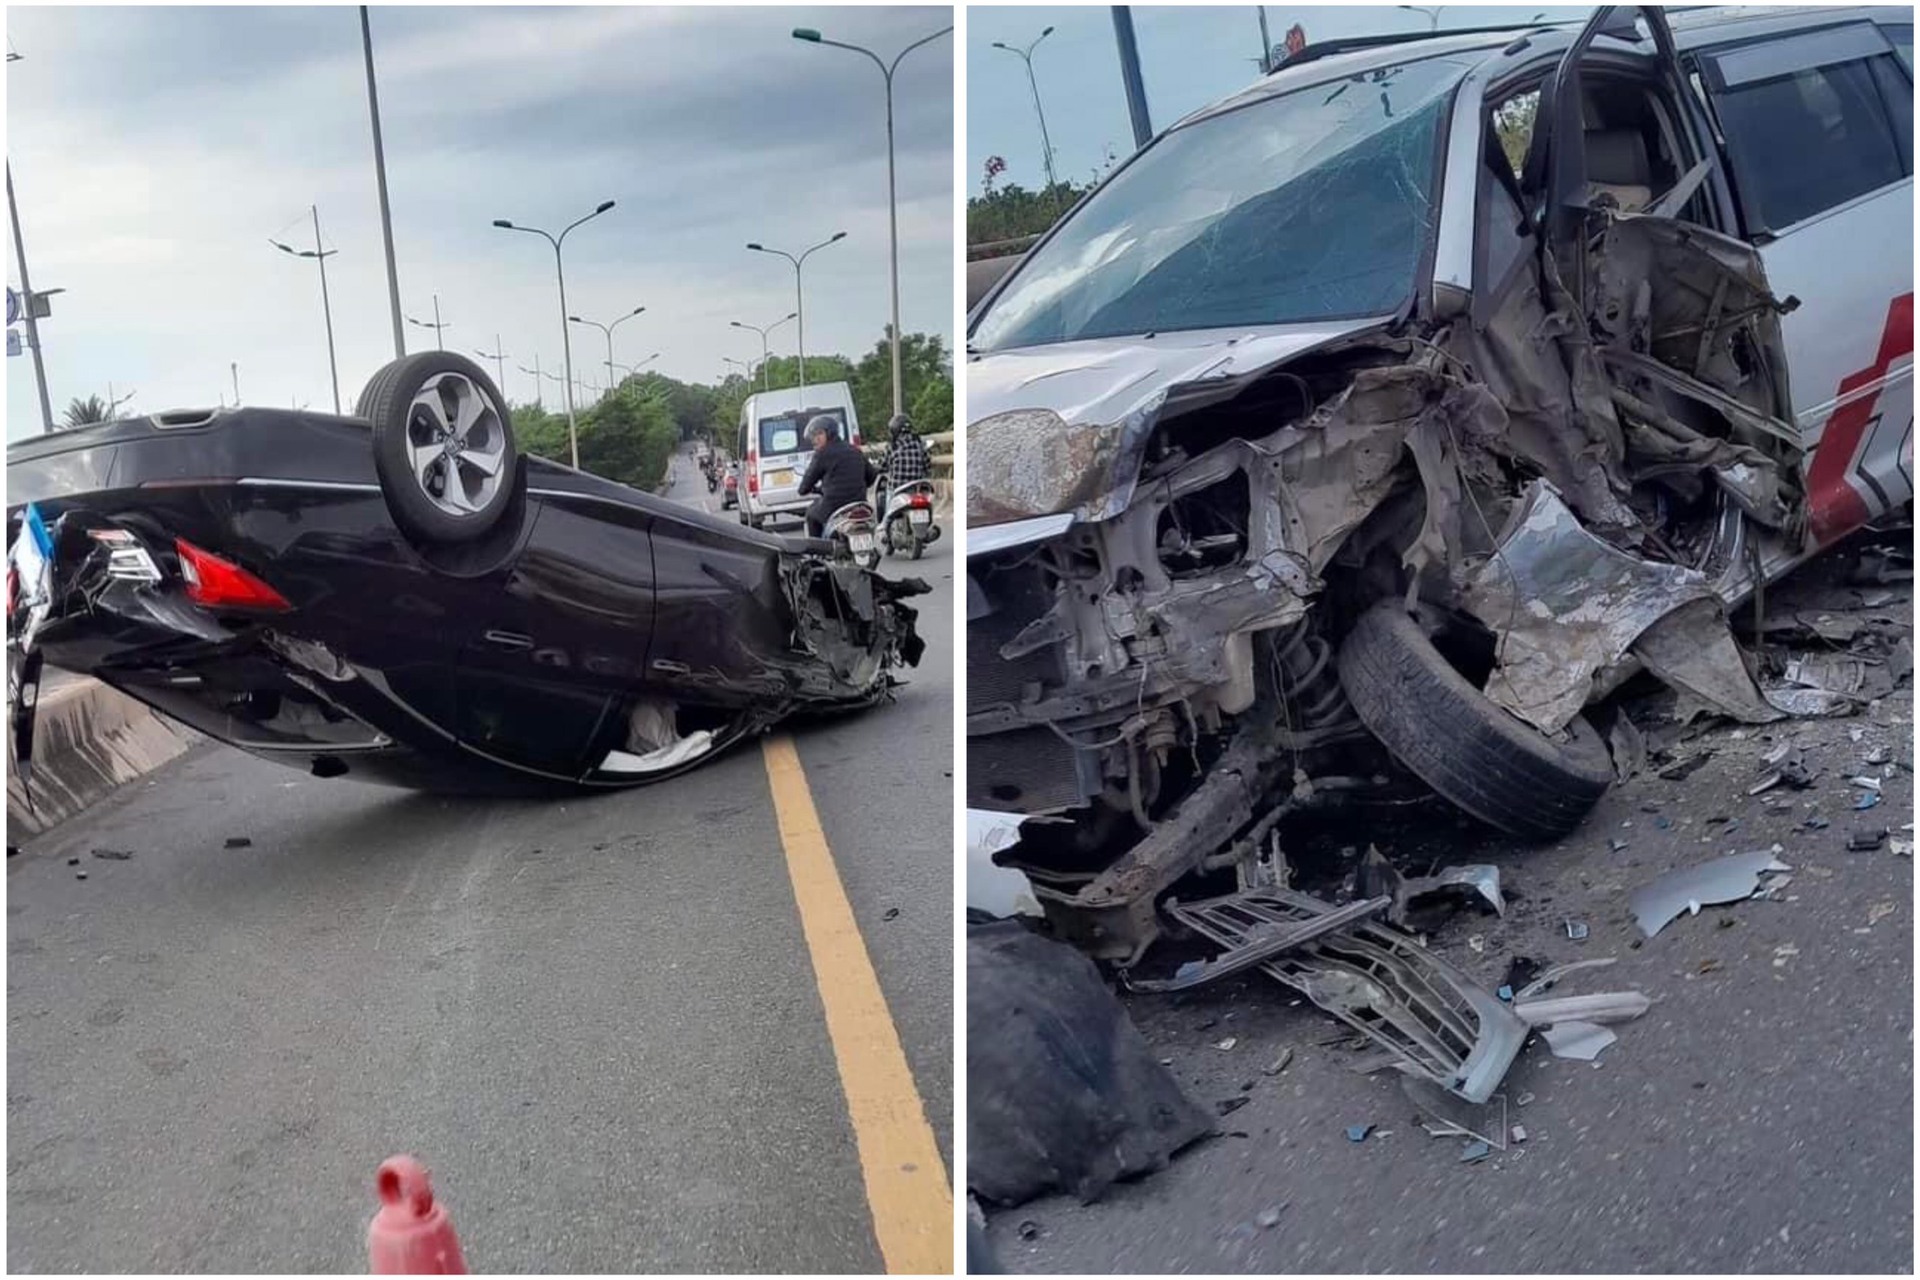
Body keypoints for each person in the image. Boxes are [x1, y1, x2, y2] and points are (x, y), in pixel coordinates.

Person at [796, 415, 875, 538]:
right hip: (859, 503)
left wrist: (807, 489)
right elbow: (872, 476)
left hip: (834, 506)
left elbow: (804, 487)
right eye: (813, 436)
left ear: (830, 433)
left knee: (811, 514)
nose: (815, 439)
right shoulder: (854, 450)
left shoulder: (822, 454)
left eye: (819, 434)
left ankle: (816, 553)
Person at [875, 413, 932, 498]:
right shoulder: (919, 444)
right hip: (916, 490)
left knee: (888, 508)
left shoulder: (892, 446)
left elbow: (882, 466)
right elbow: (927, 465)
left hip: (896, 490)